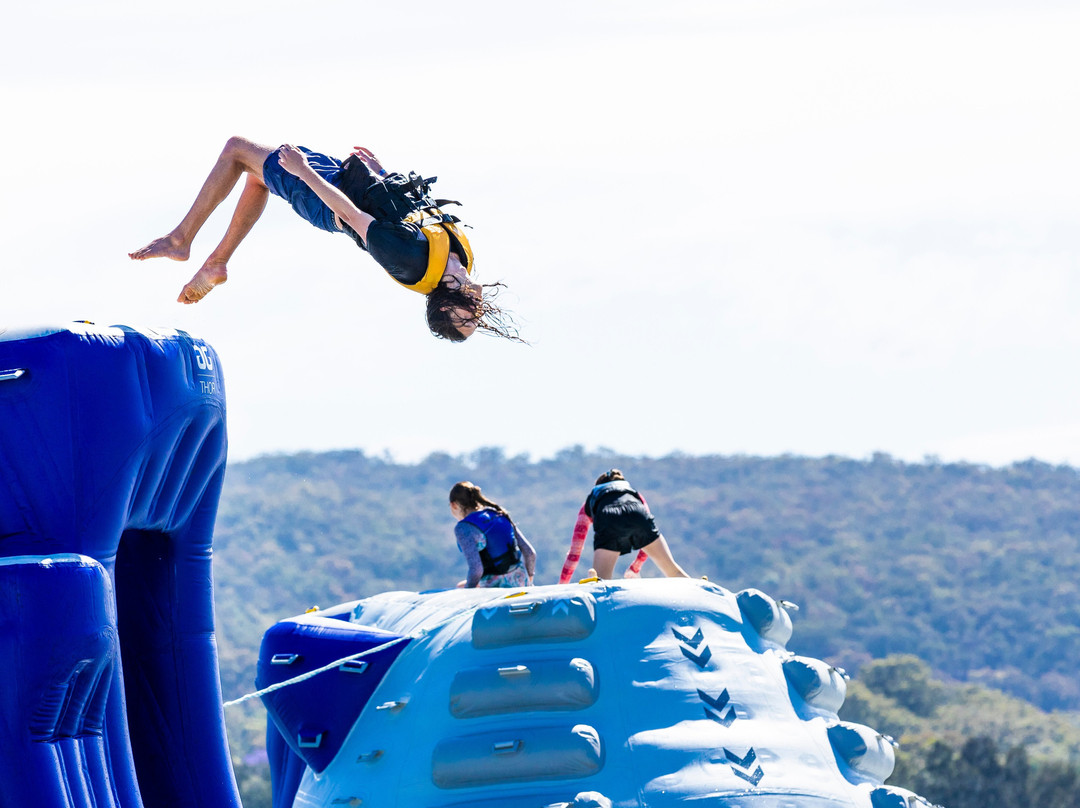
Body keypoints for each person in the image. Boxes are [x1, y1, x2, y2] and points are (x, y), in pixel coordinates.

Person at [130, 136, 520, 341]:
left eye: (467, 320)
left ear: (448, 303)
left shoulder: (409, 263)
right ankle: (216, 262)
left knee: (236, 150)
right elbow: (413, 211)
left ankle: (181, 240)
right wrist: (382, 173)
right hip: (344, 179)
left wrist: (302, 172)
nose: (479, 315)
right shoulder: (461, 261)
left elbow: (351, 214)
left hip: (325, 193)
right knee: (256, 176)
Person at [559, 469, 690, 582]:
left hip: (609, 519)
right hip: (638, 515)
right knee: (673, 571)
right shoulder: (634, 494)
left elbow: (574, 553)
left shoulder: (589, 503)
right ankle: (701, 591)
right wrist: (635, 568)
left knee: (600, 583)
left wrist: (561, 586)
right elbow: (647, 531)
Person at [449, 481, 536, 589]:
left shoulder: (463, 527)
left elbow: (476, 570)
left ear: (453, 505)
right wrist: (530, 579)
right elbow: (530, 553)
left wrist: (467, 594)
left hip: (494, 587)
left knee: (460, 587)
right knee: (461, 585)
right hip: (520, 581)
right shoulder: (498, 513)